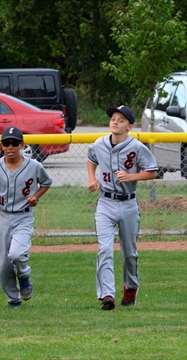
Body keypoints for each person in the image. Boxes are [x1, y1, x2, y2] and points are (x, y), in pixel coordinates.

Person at [87, 105, 158, 310]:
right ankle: (107, 294)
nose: (115, 122)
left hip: (128, 203)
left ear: (129, 126)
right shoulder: (100, 143)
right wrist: (92, 178)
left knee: (129, 254)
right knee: (104, 249)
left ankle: (131, 287)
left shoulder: (136, 147)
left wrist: (131, 176)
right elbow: (91, 159)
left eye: (121, 119)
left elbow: (152, 171)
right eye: (113, 118)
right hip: (105, 203)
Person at [0, 126, 52, 308]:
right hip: (2, 217)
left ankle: (24, 276)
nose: (10, 147)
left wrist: (36, 197)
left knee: (17, 254)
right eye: (6, 143)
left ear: (22, 145)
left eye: (14, 143)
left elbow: (46, 182)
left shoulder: (34, 166)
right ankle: (14, 300)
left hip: (23, 216)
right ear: (1, 145)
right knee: (2, 265)